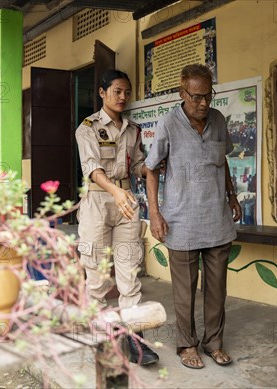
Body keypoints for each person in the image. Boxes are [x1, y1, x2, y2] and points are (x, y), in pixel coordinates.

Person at [145, 64, 241, 369]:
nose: (202, 103)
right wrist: (155, 213)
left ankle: (215, 343)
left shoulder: (218, 119)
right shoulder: (168, 124)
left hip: (216, 219)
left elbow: (222, 161)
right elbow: (150, 168)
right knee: (185, 291)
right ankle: (187, 345)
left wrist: (232, 195)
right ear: (182, 93)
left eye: (207, 95)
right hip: (181, 221)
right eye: (196, 96)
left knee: (217, 289)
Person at [75, 69, 159, 366]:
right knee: (96, 277)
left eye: (127, 92)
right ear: (102, 92)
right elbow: (92, 168)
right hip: (98, 202)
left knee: (129, 274)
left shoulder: (133, 129)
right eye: (117, 91)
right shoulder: (87, 127)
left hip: (127, 205)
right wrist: (115, 191)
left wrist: (149, 168)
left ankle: (135, 341)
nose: (123, 97)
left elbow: (136, 164)